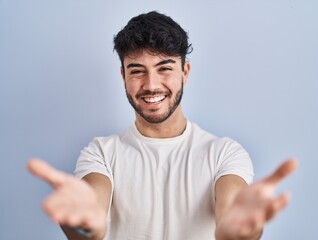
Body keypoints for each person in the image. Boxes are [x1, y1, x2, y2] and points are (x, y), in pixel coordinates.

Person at [28, 11, 297, 240]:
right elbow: (91, 213)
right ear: (123, 75)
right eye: (137, 71)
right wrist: (84, 226)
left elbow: (231, 215)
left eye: (164, 68)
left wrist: (239, 230)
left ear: (185, 72)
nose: (151, 85)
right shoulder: (101, 153)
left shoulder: (224, 154)